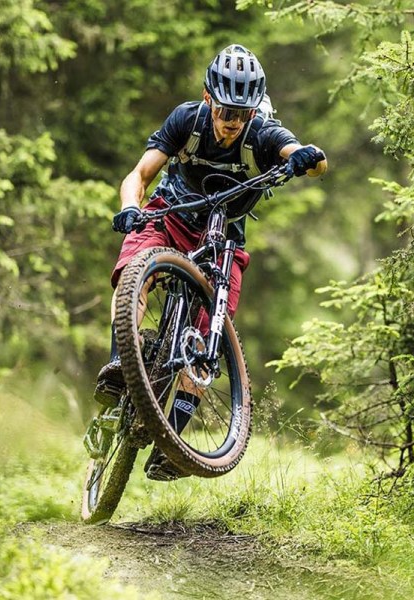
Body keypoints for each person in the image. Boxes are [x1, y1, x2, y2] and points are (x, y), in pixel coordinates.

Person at [94, 44, 327, 480]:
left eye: (242, 113)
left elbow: (311, 159)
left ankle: (175, 438)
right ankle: (120, 363)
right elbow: (140, 175)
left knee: (210, 332)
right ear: (208, 98)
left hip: (225, 235)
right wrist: (130, 206)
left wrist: (305, 159)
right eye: (225, 110)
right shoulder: (187, 120)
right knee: (133, 268)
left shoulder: (263, 133)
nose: (232, 121)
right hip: (170, 213)